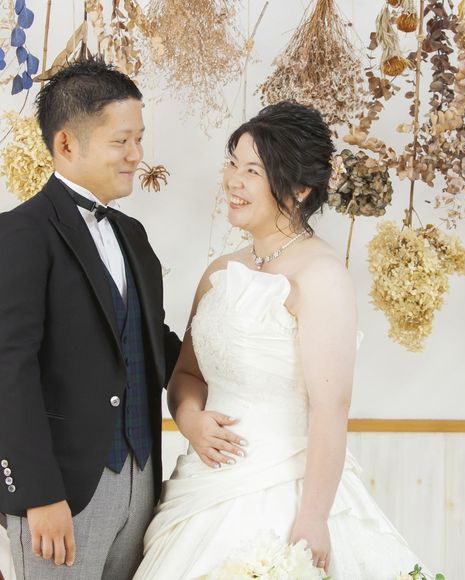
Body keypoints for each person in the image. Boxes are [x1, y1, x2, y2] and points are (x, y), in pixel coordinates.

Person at [134, 101, 433, 579]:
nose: (233, 181)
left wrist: (313, 517)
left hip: (290, 488)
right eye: (232, 163)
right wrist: (190, 421)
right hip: (206, 484)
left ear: (299, 188)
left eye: (253, 171)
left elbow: (330, 407)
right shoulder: (220, 271)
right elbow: (187, 373)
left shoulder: (322, 274)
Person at [0, 58, 181, 579]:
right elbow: (9, 369)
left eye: (139, 139)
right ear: (66, 144)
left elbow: (150, 342)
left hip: (142, 482)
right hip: (62, 490)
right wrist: (38, 494)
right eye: (121, 141)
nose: (136, 155)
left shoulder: (133, 235)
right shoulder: (21, 233)